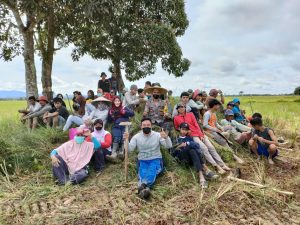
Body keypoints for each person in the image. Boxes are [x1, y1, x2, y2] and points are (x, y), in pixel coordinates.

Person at [173, 103, 230, 174]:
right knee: (204, 148)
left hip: (199, 133)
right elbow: (176, 127)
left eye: (183, 107)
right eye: (179, 107)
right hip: (192, 135)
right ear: (177, 109)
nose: (181, 108)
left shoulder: (190, 114)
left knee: (211, 147)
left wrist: (201, 134)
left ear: (185, 107)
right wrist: (185, 132)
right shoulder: (176, 118)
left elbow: (196, 124)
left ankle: (222, 164)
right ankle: (216, 166)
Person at [123, 117, 172, 200]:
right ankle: (145, 190)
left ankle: (142, 185)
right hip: (142, 160)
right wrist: (126, 140)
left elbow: (168, 146)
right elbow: (129, 150)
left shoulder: (157, 135)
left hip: (156, 159)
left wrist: (166, 138)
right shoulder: (137, 137)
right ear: (141, 126)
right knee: (143, 172)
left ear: (151, 126)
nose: (146, 126)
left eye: (148, 125)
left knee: (152, 170)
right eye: (144, 125)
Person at [171, 122, 218, 188]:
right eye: (183, 129)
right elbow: (172, 154)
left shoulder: (189, 138)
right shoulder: (176, 139)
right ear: (179, 129)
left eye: (186, 130)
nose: (184, 131)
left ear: (188, 131)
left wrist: (187, 143)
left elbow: (197, 146)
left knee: (192, 150)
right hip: (182, 159)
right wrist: (178, 147)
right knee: (191, 147)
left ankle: (201, 177)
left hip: (191, 160)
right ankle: (205, 169)